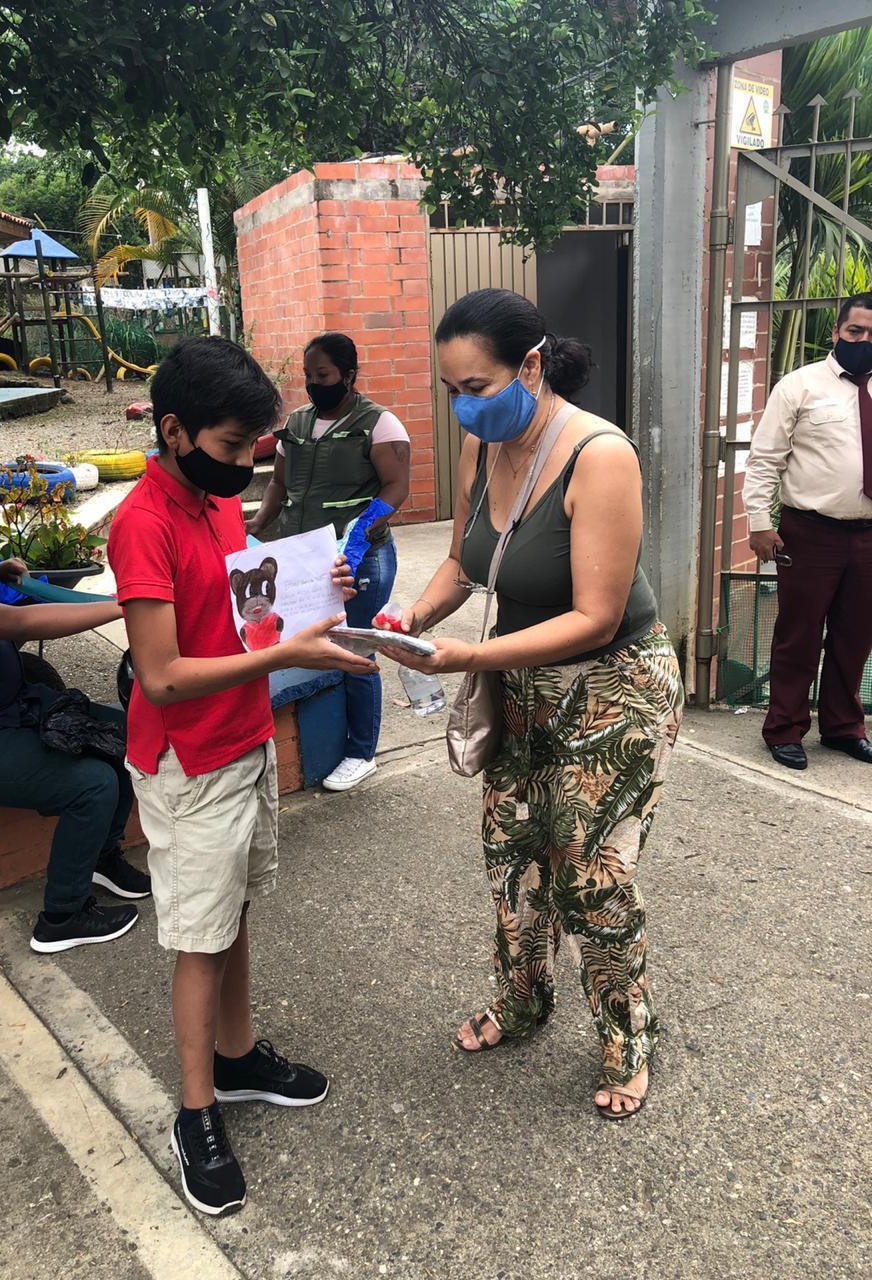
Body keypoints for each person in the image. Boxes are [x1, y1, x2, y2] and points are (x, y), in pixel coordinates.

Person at [377, 289, 684, 1120]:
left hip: (612, 688)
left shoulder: (599, 455)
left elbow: (597, 615)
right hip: (520, 687)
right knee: (511, 854)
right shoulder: (482, 447)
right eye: (452, 389)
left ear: (532, 367)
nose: (463, 405)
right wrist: (407, 618)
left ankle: (628, 1034)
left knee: (589, 874)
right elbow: (461, 565)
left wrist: (465, 654)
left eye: (478, 386)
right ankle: (524, 1001)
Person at [106, 336, 378, 1215]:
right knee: (197, 937)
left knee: (233, 914)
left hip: (245, 739)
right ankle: (196, 1112)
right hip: (188, 763)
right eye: (229, 449)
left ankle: (238, 1054)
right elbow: (160, 674)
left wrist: (319, 597)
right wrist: (287, 652)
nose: (242, 467)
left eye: (253, 449)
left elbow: (247, 609)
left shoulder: (219, 507)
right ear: (175, 430)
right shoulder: (141, 523)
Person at [0, 462, 149, 953]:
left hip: (7, 711)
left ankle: (100, 859)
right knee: (92, 783)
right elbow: (19, 624)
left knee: (126, 737)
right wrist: (125, 605)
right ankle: (62, 917)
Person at [247, 332, 411, 792]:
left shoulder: (379, 424)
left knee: (355, 650)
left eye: (323, 375)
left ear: (349, 375)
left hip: (362, 558)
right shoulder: (296, 424)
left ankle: (362, 752)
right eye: (308, 376)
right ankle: (333, 737)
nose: (313, 384)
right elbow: (278, 485)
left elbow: (395, 489)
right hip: (304, 558)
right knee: (311, 643)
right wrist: (260, 523)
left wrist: (356, 538)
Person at [742, 293, 872, 771]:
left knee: (856, 636)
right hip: (810, 532)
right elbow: (764, 461)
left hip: (868, 538)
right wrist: (759, 523)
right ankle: (784, 729)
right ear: (836, 332)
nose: (864, 342)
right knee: (798, 634)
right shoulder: (799, 387)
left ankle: (842, 728)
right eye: (856, 332)